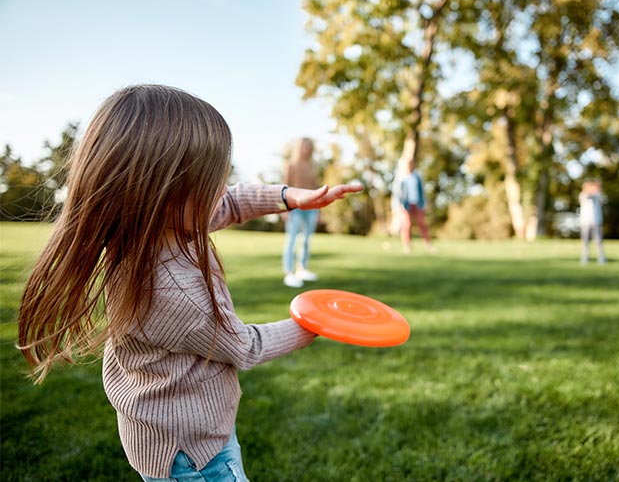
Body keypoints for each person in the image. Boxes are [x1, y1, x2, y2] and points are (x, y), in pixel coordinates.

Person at [16, 85, 363, 481]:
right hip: (194, 455)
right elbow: (246, 347)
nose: (222, 190)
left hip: (165, 436)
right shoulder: (172, 292)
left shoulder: (149, 227)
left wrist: (289, 196)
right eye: (211, 181)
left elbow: (231, 202)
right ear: (164, 191)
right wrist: (316, 322)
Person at [282, 138, 320, 288]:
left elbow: (316, 188)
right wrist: (283, 209)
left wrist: (319, 211)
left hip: (311, 208)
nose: (306, 149)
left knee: (306, 239)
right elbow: (283, 188)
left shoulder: (312, 166)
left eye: (309, 146)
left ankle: (302, 269)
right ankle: (289, 273)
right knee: (291, 239)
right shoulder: (290, 165)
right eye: (304, 146)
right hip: (294, 207)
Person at [395, 156, 434, 253]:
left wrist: (424, 203)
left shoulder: (417, 176)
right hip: (406, 204)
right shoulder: (401, 177)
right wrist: (398, 205)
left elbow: (422, 191)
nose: (410, 166)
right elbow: (398, 193)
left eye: (411, 164)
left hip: (417, 203)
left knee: (422, 223)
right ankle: (407, 245)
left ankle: (428, 244)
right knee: (406, 225)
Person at [579, 180, 606, 264]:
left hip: (596, 221)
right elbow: (587, 196)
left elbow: (602, 199)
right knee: (585, 241)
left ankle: (601, 257)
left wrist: (597, 189)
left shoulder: (598, 195)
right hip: (585, 221)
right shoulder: (582, 195)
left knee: (598, 241)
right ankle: (585, 257)